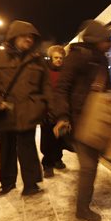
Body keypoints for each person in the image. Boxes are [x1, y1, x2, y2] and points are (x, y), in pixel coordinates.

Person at [0, 20, 51, 196]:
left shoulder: (37, 60)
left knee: (28, 147)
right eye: (25, 36)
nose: (29, 40)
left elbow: (46, 87)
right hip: (4, 111)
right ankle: (7, 182)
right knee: (7, 149)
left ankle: (31, 184)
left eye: (32, 37)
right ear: (14, 37)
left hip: (27, 111)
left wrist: (43, 106)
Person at [53, 20, 111, 221]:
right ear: (96, 40)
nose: (110, 43)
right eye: (107, 39)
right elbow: (61, 88)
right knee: (89, 166)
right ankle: (82, 208)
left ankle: (83, 204)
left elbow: (106, 89)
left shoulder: (102, 60)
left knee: (92, 163)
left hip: (96, 120)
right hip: (79, 120)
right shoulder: (77, 57)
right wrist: (62, 116)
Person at [40, 45, 67, 178]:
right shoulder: (45, 72)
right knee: (47, 139)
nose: (58, 60)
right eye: (56, 57)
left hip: (60, 111)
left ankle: (57, 159)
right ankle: (47, 164)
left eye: (61, 58)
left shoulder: (65, 73)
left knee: (59, 138)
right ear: (51, 58)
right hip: (47, 111)